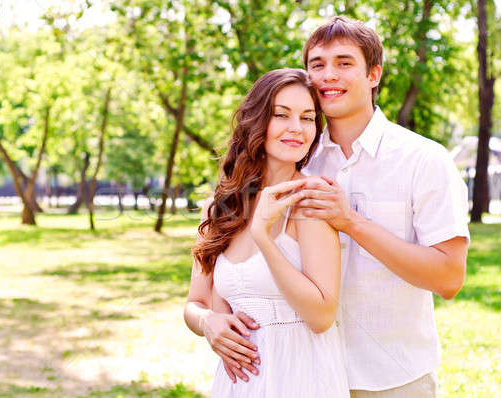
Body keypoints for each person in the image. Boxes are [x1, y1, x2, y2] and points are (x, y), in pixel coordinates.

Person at [297, 17, 470, 397]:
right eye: (317, 64)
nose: (328, 75)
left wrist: (351, 223)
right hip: (306, 373)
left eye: (344, 63)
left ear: (373, 74)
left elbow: (449, 278)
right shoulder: (296, 162)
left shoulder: (423, 160)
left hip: (395, 377)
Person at [183, 68, 350, 397]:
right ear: (257, 120)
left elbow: (321, 316)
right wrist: (207, 323)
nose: (296, 128)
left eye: (307, 118)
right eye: (281, 115)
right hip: (239, 383)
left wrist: (262, 235)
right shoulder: (220, 209)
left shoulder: (310, 203)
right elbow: (195, 302)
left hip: (301, 377)